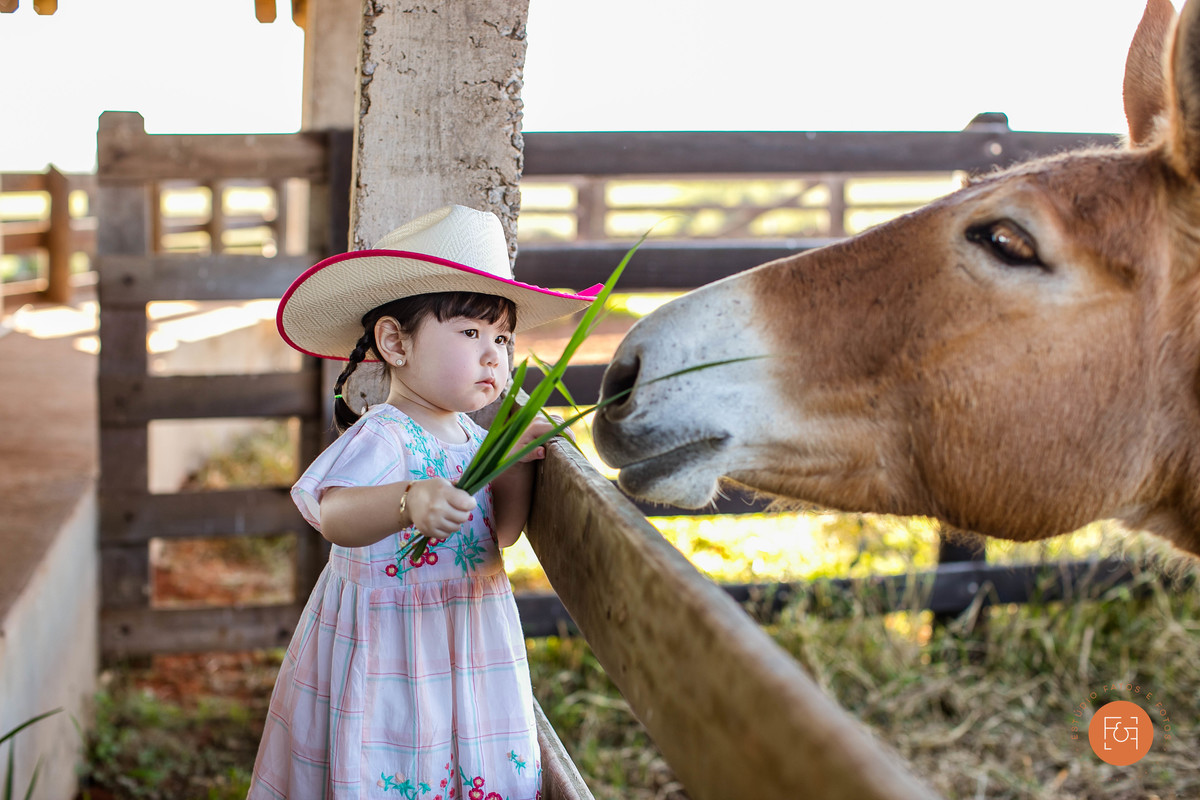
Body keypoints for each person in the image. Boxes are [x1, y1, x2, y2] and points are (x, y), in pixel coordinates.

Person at [249, 204, 599, 800]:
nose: (493, 355)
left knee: (466, 762)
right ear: (395, 342)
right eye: (470, 333)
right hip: (394, 646)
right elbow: (334, 516)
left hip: (469, 637)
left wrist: (515, 463)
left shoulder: (474, 440)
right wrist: (408, 500)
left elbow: (500, 536)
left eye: (503, 338)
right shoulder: (387, 435)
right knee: (397, 763)